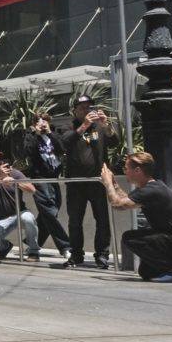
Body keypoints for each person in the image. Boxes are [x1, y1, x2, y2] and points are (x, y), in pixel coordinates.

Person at [101, 152, 172, 281]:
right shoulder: (149, 187)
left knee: (130, 238)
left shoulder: (152, 190)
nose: (124, 171)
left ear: (137, 170)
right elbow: (125, 199)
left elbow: (118, 204)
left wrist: (108, 184)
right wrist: (114, 183)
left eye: (126, 168)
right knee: (146, 272)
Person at [60, 95, 115, 269]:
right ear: (75, 110)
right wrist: (83, 126)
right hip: (76, 182)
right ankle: (76, 255)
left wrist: (106, 126)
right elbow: (65, 143)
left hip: (97, 181)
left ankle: (102, 255)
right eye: (82, 108)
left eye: (89, 107)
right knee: (75, 221)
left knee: (102, 220)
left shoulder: (99, 126)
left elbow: (114, 142)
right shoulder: (68, 126)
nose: (87, 111)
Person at [22, 113, 71, 261]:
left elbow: (62, 149)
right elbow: (29, 153)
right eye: (38, 121)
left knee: (51, 212)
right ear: (33, 124)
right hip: (40, 178)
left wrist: (49, 132)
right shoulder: (30, 137)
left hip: (54, 178)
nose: (42, 124)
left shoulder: (54, 135)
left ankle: (31, 242)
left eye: (45, 121)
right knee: (49, 211)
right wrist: (37, 134)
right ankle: (66, 247)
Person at [0, 149, 41, 262]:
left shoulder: (15, 173)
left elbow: (32, 189)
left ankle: (33, 251)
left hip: (19, 213)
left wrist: (14, 181)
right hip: (1, 218)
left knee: (29, 218)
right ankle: (5, 247)